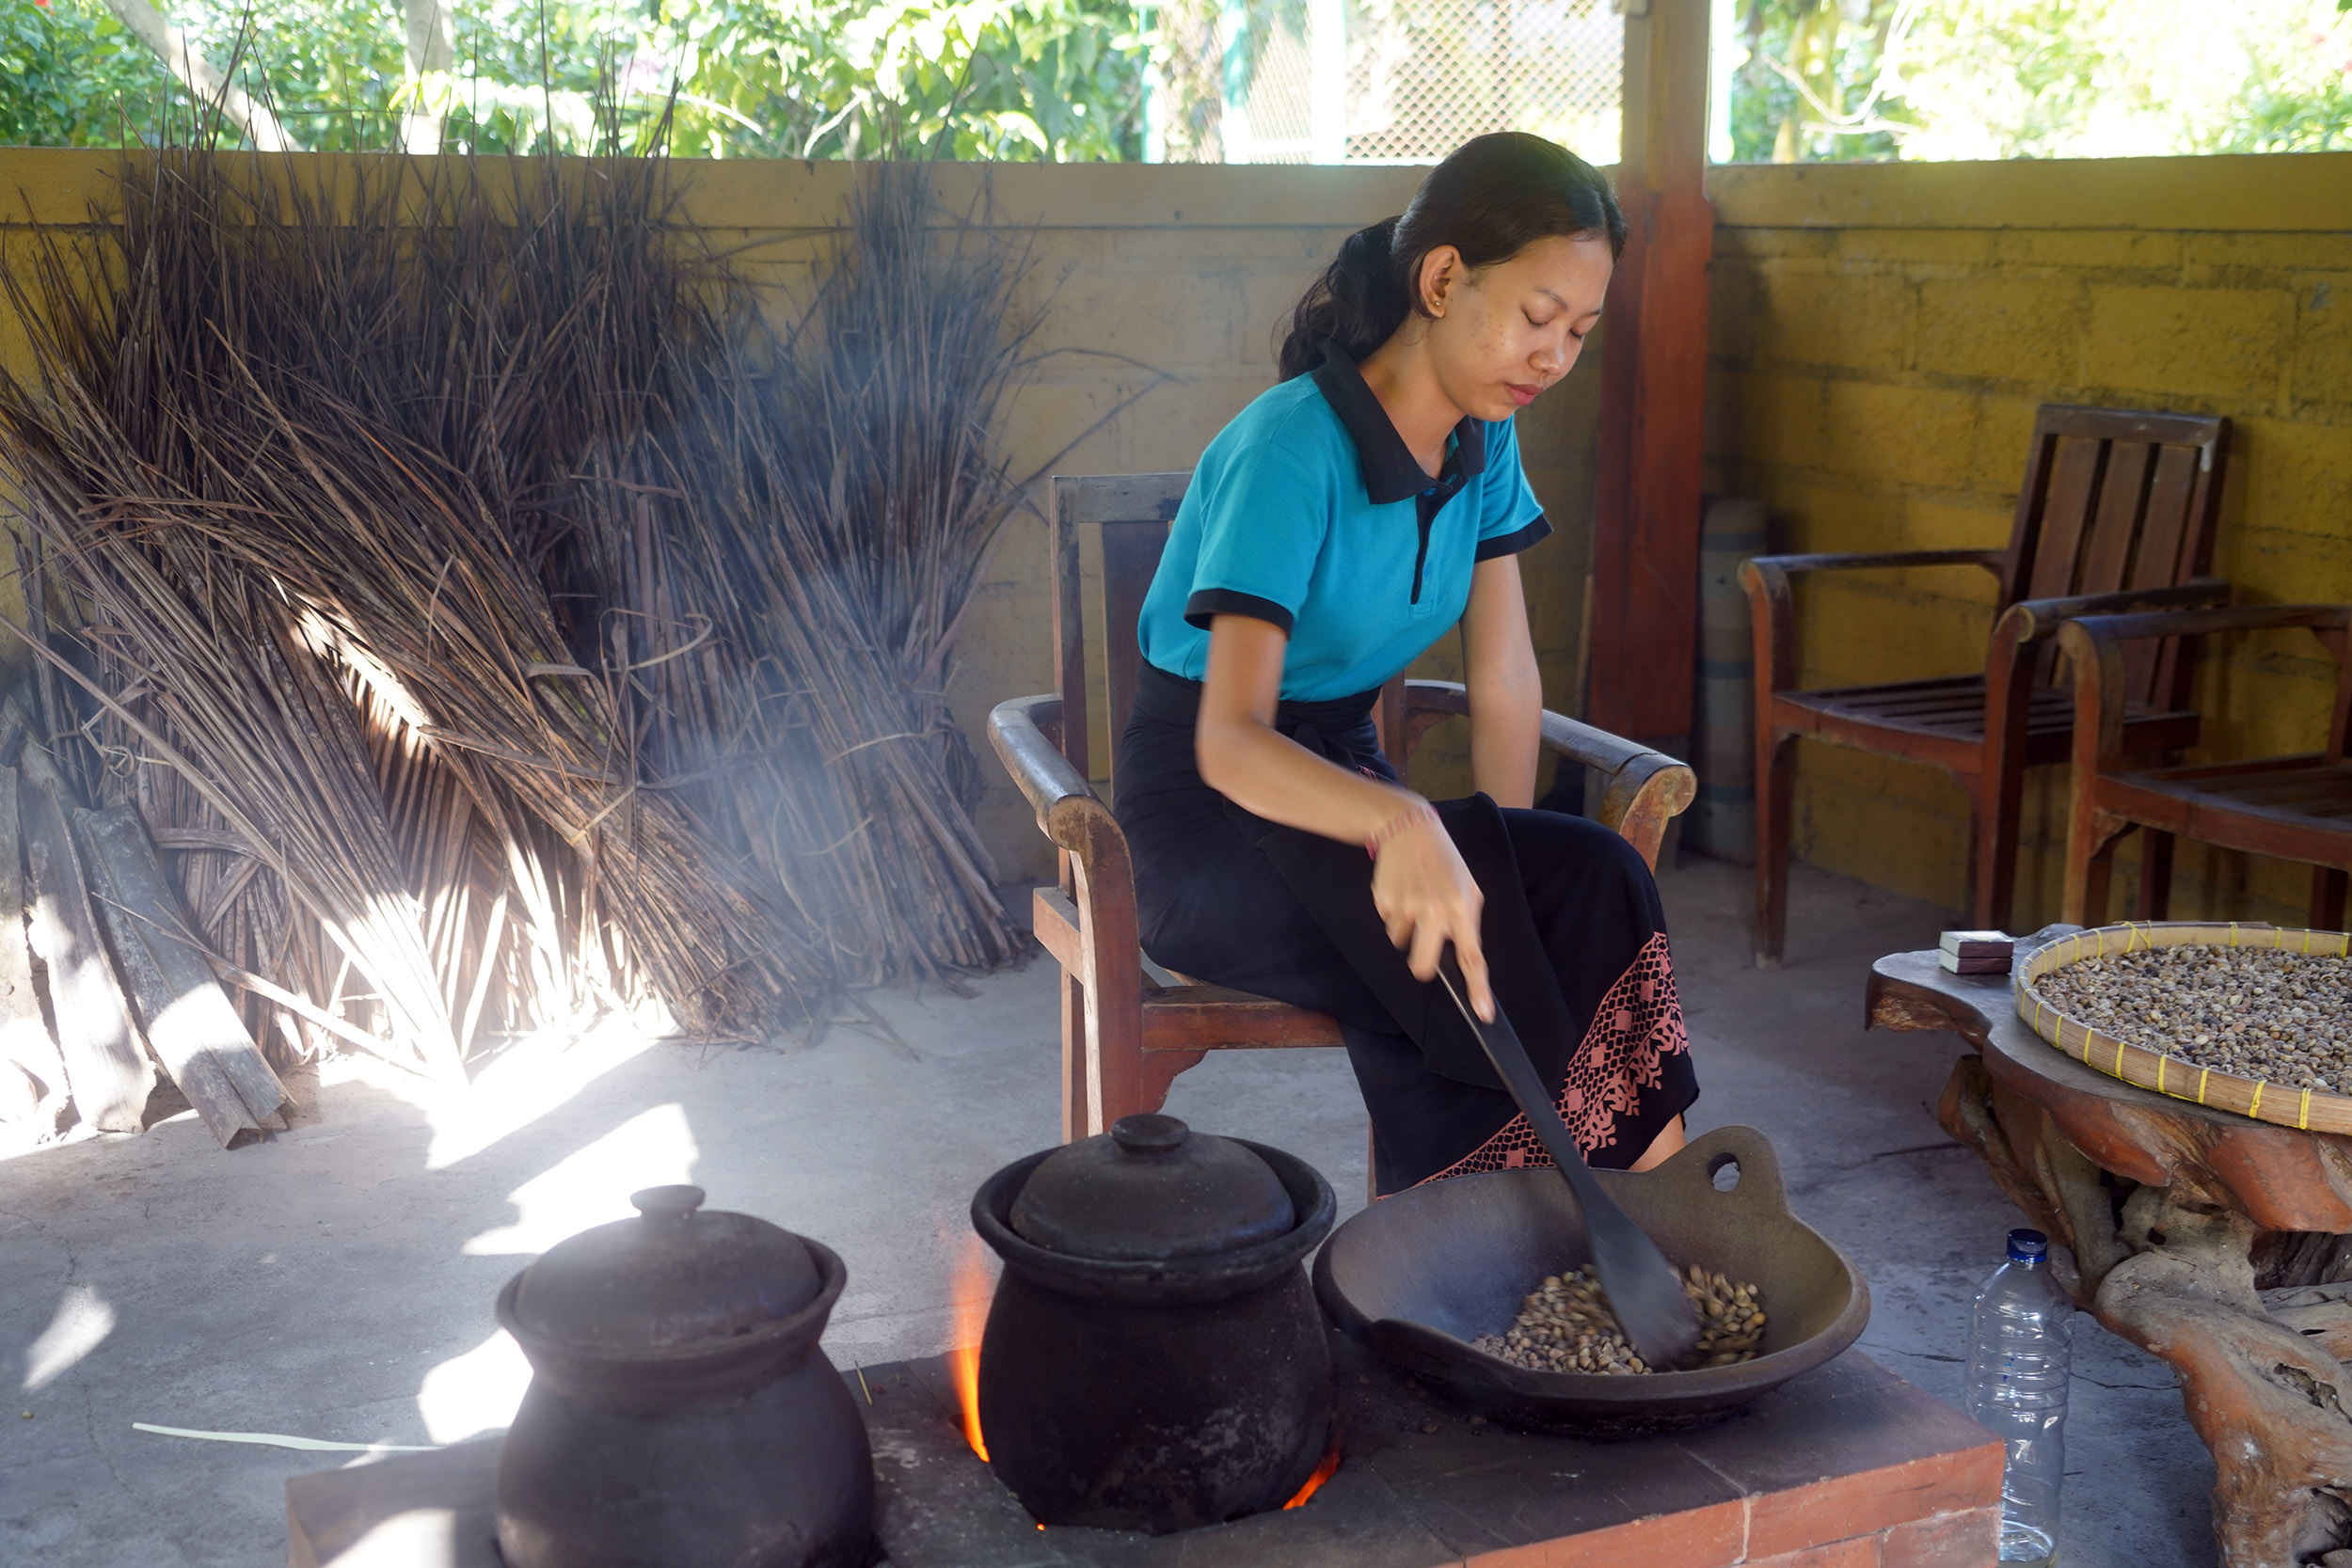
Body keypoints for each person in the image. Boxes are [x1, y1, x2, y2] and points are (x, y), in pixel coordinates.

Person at [1112, 132, 1697, 1196]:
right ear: (1440, 278)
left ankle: (1650, 1208)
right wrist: (1401, 818)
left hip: (1337, 771)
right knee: (1450, 950)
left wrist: (1500, 860)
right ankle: (1496, 1245)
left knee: (1587, 876)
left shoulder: (1484, 439)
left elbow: (1506, 675)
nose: (1554, 357)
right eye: (1535, 317)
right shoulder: (1288, 449)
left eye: (1578, 331)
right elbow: (1229, 740)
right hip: (1207, 814)